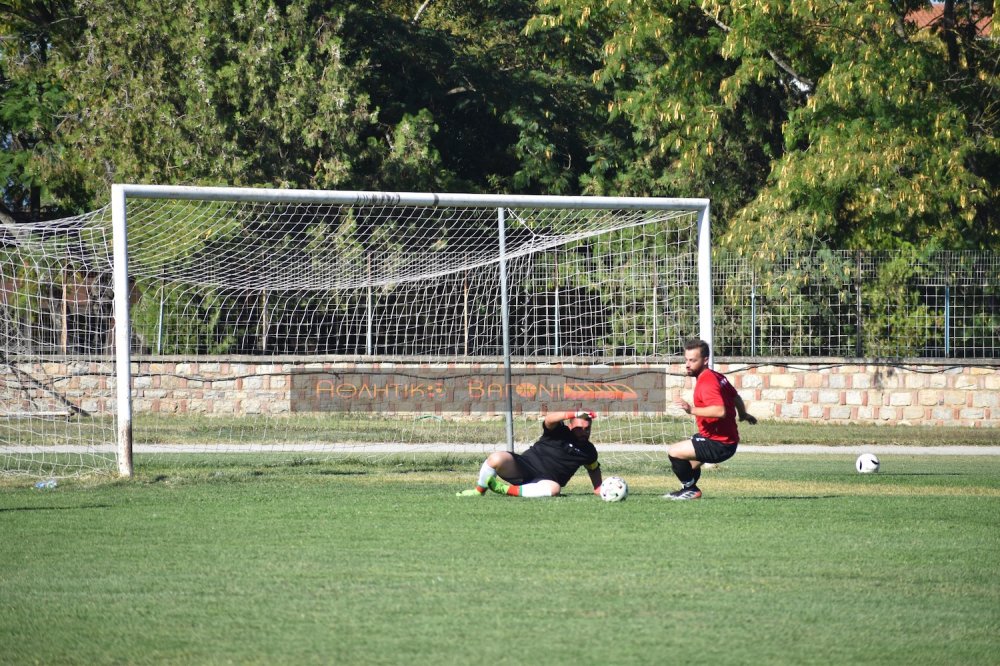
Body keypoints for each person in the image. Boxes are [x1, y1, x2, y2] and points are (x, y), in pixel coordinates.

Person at [666, 339, 756, 500]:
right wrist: (743, 415)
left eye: (693, 360)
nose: (687, 364)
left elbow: (720, 410)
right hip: (725, 440)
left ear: (705, 360)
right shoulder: (716, 376)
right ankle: (687, 488)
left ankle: (691, 489)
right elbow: (735, 397)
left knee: (674, 452)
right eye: (686, 360)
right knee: (690, 462)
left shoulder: (707, 382)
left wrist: (691, 409)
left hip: (719, 444)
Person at [457, 410, 602, 498]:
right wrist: (574, 413)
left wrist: (599, 489)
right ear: (570, 426)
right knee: (496, 458)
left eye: (587, 429)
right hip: (524, 466)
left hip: (543, 482)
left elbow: (593, 468)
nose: (584, 432)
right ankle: (479, 491)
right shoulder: (558, 432)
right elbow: (549, 419)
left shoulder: (589, 451)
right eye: (579, 428)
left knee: (554, 489)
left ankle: (505, 489)